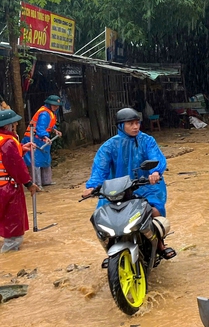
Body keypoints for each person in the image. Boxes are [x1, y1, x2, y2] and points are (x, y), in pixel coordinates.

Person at [82, 108, 174, 258]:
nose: (135, 127)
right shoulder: (109, 146)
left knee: (154, 212)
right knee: (101, 218)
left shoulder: (147, 141)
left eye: (137, 123)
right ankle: (111, 252)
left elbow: (156, 157)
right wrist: (92, 186)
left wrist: (155, 172)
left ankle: (159, 245)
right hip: (117, 190)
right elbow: (100, 168)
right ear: (120, 126)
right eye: (131, 124)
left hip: (145, 186)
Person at [0, 109, 39, 253]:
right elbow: (16, 166)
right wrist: (28, 183)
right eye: (14, 124)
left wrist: (21, 149)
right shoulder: (8, 142)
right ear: (8, 126)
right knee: (12, 226)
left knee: (4, 220)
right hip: (7, 188)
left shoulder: (3, 140)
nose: (16, 125)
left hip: (2, 186)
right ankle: (9, 254)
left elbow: (5, 158)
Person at [22, 95, 61, 187]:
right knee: (35, 161)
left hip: (41, 139)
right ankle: (36, 184)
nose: (56, 107)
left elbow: (49, 125)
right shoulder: (44, 113)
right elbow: (40, 127)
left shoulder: (50, 112)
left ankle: (46, 181)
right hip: (34, 138)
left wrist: (55, 130)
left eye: (57, 105)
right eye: (54, 105)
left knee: (45, 159)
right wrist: (45, 136)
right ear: (49, 104)